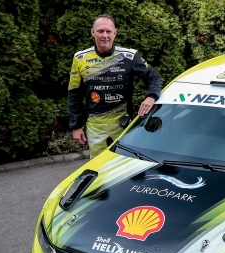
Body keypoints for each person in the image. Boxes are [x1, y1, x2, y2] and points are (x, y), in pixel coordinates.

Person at [68, 14, 163, 157]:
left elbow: (154, 77)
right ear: (92, 32)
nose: (104, 35)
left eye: (108, 31)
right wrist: (76, 125)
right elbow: (74, 94)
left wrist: (151, 97)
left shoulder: (129, 56)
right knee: (98, 165)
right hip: (95, 126)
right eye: (100, 31)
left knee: (123, 164)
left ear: (115, 33)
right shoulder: (80, 58)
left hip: (123, 123)